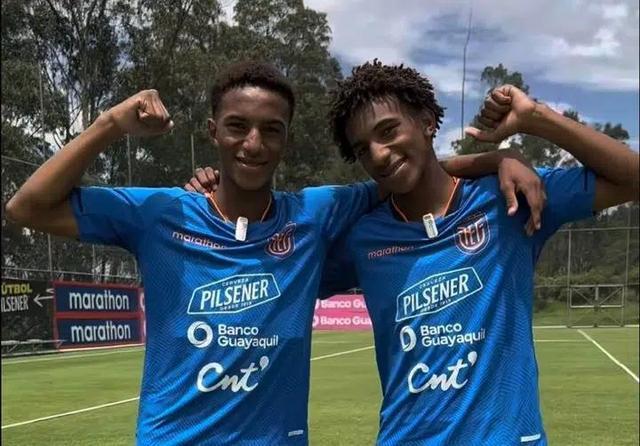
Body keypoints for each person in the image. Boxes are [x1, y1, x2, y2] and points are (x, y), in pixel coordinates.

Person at [6, 61, 545, 445]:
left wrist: (496, 160)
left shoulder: (314, 214)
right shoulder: (161, 214)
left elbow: (405, 169)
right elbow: (26, 207)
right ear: (213, 131)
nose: (253, 144)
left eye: (271, 130)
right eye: (237, 127)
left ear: (285, 139)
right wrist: (109, 126)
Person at [320, 60, 638, 445]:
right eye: (363, 149)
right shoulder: (364, 238)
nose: (379, 155)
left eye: (388, 131)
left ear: (427, 122)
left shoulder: (509, 198)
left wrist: (536, 119)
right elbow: (284, 278)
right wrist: (493, 158)